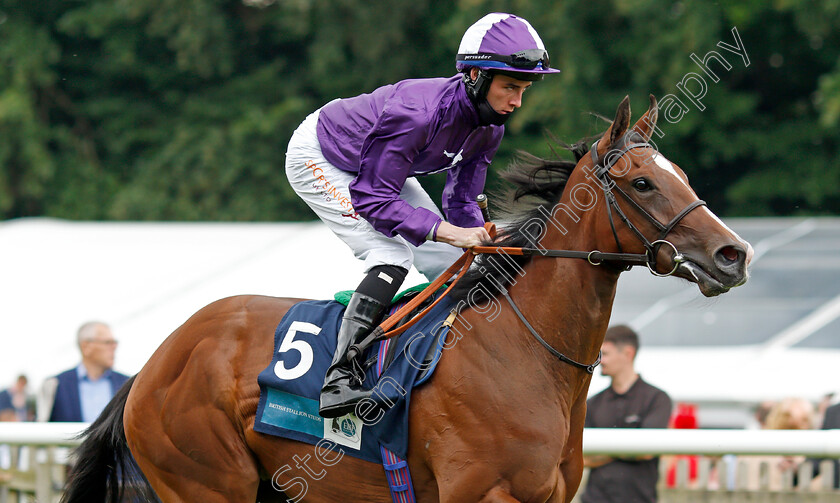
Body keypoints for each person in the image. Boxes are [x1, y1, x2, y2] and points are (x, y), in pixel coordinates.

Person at [284, 12, 560, 418]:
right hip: (323, 157)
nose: (517, 101)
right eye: (510, 87)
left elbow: (462, 202)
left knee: (455, 262)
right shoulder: (418, 113)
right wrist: (449, 232)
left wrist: (477, 241)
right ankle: (338, 379)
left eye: (523, 89)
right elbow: (373, 199)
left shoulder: (489, 126)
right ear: (474, 77)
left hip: (374, 170)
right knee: (392, 255)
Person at [581, 325, 673, 503]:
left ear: (628, 353)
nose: (599, 360)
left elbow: (647, 450)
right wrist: (630, 448)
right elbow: (582, 457)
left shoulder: (657, 398)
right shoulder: (592, 402)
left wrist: (602, 450)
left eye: (605, 354)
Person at [37, 321, 130, 422]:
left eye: (114, 343)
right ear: (86, 347)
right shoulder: (55, 386)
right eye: (107, 342)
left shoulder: (128, 385)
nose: (114, 347)